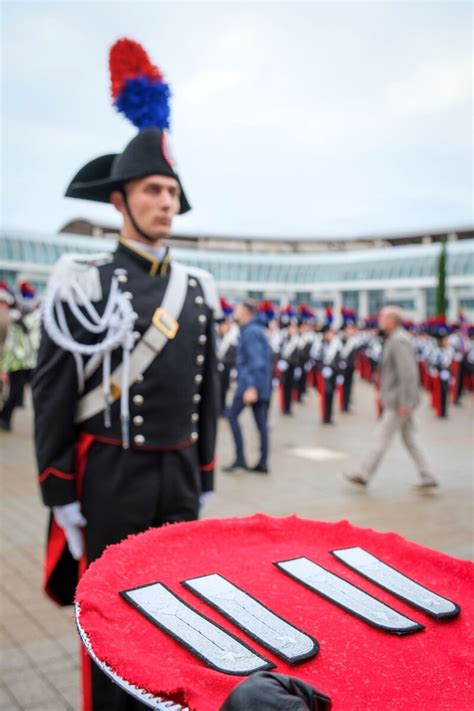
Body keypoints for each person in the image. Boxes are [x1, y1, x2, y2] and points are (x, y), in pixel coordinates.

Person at [32, 37, 220, 710]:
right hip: (110, 475)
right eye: (152, 189)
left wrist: (202, 478)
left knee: (180, 614)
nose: (166, 202)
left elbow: (208, 394)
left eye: (172, 191)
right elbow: (52, 390)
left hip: (176, 475)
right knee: (114, 623)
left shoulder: (197, 288)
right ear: (121, 199)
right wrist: (59, 489)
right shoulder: (83, 284)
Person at [344, 306, 438, 491]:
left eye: (383, 317)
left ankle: (364, 474)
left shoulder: (399, 340)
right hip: (398, 399)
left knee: (381, 437)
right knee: (411, 439)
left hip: (398, 402)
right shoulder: (395, 338)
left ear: (392, 321)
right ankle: (428, 476)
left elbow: (408, 373)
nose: (379, 319)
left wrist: (405, 402)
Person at [223, 300, 272, 473]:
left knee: (232, 415)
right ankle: (262, 462)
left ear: (246, 313)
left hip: (250, 384)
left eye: (238, 311)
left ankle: (241, 459)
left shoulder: (251, 332)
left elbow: (255, 361)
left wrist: (251, 387)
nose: (235, 315)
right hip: (260, 384)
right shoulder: (255, 330)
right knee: (261, 424)